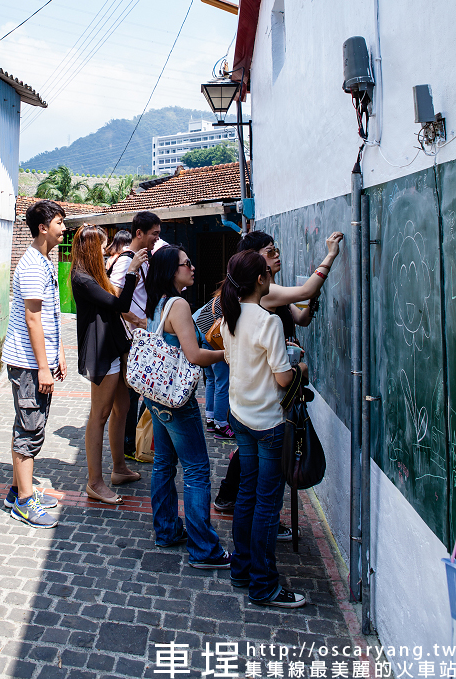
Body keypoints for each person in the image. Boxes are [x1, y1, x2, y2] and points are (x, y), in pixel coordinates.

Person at [213, 229, 344, 517]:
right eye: (269, 252)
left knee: (252, 478)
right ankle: (259, 551)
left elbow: (300, 316)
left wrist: (310, 305)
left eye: (276, 250)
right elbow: (306, 291)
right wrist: (331, 255)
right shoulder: (266, 298)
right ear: (254, 265)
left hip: (247, 405)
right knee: (266, 492)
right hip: (268, 399)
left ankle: (245, 548)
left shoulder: (251, 300)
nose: (276, 256)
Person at [221, 249, 308, 608]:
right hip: (269, 423)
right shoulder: (268, 321)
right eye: (267, 271)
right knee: (267, 505)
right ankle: (264, 585)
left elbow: (233, 359)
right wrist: (299, 369)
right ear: (261, 280)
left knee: (247, 495)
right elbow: (283, 377)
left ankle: (242, 571)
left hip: (240, 416)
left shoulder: (230, 317)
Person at [143, 244, 231, 568]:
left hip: (156, 396)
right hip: (176, 400)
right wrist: (228, 354)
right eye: (186, 264)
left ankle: (167, 530)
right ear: (172, 271)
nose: (192, 268)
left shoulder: (159, 302)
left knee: (164, 464)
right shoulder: (178, 304)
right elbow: (194, 355)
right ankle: (203, 549)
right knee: (196, 469)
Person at [71, 225, 148, 504]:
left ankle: (118, 469)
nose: (107, 250)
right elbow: (120, 304)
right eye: (103, 246)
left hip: (112, 345)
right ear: (92, 247)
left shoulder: (94, 274)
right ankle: (95, 482)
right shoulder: (83, 279)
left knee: (123, 407)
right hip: (100, 350)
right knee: (99, 415)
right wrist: (130, 273)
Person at [2, 200, 67, 528]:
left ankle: (18, 491)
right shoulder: (31, 265)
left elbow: (49, 315)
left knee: (28, 423)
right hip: (27, 363)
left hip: (36, 361)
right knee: (29, 428)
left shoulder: (44, 262)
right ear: (43, 227)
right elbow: (32, 318)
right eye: (59, 222)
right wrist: (43, 367)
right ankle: (25, 503)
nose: (63, 228)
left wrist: (59, 354)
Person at [109, 211, 162, 457]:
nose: (156, 239)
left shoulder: (144, 258)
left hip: (140, 336)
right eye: (154, 234)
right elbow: (117, 299)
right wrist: (139, 321)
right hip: (130, 336)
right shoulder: (124, 261)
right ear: (139, 233)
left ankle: (132, 443)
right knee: (129, 396)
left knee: (136, 392)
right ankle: (129, 445)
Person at [193, 291, 233, 440]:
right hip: (215, 341)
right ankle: (221, 424)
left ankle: (211, 418)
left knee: (211, 380)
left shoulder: (217, 298)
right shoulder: (231, 299)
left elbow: (196, 317)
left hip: (203, 338)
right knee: (223, 382)